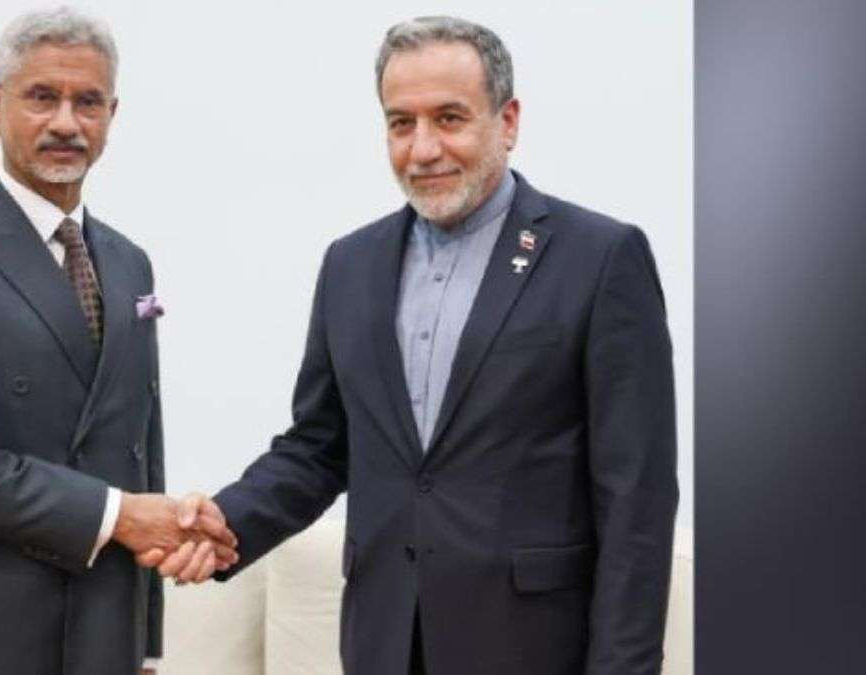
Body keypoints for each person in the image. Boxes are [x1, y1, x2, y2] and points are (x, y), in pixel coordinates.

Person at [149, 16, 678, 675]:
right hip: (385, 641)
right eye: (401, 123)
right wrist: (225, 522)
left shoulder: (600, 258)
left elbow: (636, 497)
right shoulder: (350, 264)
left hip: (532, 647)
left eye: (449, 118)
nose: (423, 148)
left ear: (507, 122)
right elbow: (319, 447)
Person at [0, 7, 236, 675]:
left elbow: (141, 447)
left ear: (112, 114)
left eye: (87, 102)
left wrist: (145, 641)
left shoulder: (130, 264)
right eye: (42, 97)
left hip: (98, 634)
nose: (65, 122)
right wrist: (118, 515)